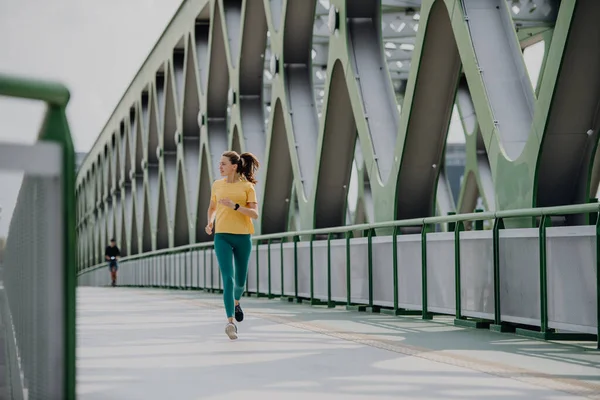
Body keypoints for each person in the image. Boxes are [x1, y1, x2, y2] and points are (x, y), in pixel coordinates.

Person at [206, 151, 260, 340]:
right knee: (227, 278)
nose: (219, 167)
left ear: (234, 166)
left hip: (243, 237)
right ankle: (230, 322)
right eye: (219, 163)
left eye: (223, 164)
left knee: (240, 283)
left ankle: (236, 302)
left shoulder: (247, 187)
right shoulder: (217, 185)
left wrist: (235, 206)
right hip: (222, 237)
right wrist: (210, 222)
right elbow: (212, 208)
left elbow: (255, 215)